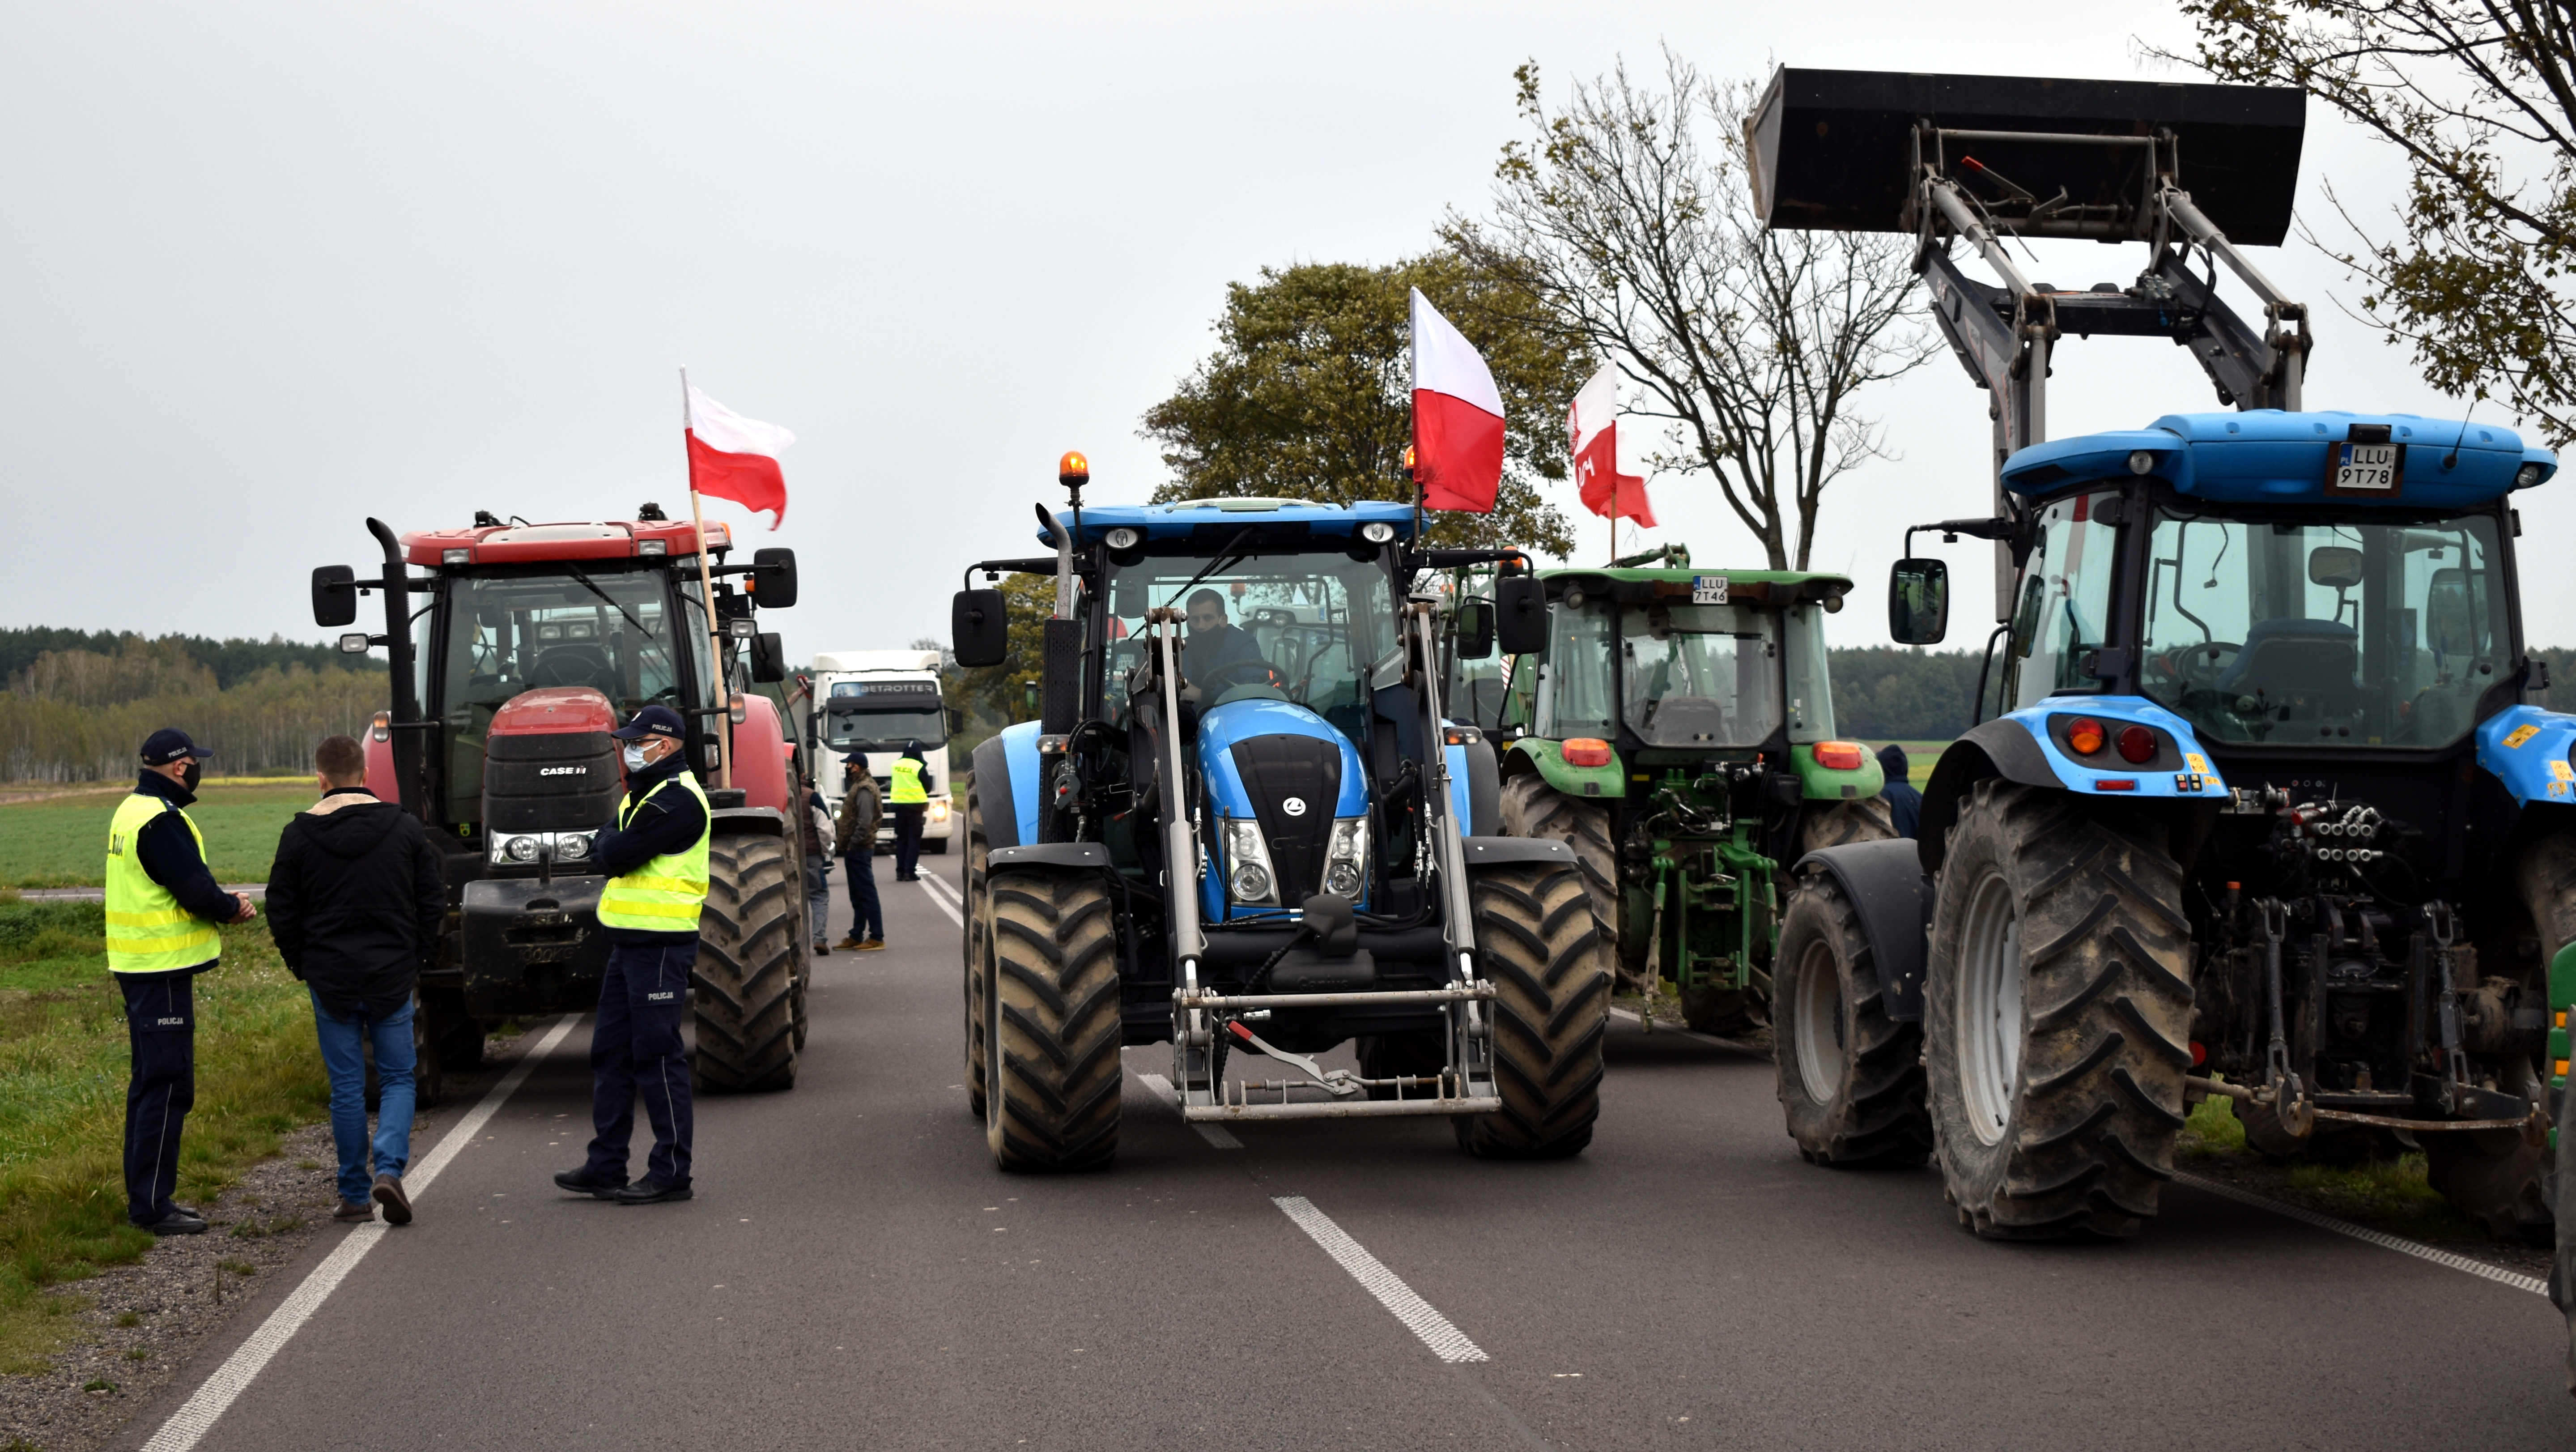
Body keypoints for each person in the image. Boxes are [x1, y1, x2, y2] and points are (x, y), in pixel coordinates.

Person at [264, 734, 443, 1226]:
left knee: (345, 1085)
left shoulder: (298, 835)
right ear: (365, 776)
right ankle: (389, 1167)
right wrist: (418, 957)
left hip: (331, 976)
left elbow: (281, 910)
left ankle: (353, 1194)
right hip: (392, 973)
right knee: (398, 1076)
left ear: (320, 779)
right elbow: (431, 900)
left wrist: (302, 963)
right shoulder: (405, 828)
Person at [554, 705, 707, 1206]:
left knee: (658, 1058)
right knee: (611, 1054)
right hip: (628, 942)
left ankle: (670, 1173)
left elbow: (613, 853)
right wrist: (609, 843)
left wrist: (609, 845)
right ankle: (606, 1164)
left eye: (637, 740)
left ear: (665, 744)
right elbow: (605, 840)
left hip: (661, 944)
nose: (628, 748)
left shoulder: (679, 800)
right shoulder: (644, 796)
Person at [106, 728, 256, 1236]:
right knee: (169, 1085)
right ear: (179, 766)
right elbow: (192, 888)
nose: (198, 770)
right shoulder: (161, 820)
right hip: (161, 969)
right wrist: (232, 907)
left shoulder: (131, 809)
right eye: (196, 762)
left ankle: (144, 1197)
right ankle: (152, 1204)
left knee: (149, 1082)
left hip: (139, 968)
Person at [1179, 588, 1271, 705]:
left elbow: (1255, 688)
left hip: (1233, 717)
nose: (1201, 626)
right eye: (1195, 619)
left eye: (1208, 618)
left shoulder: (1243, 644)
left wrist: (1202, 696)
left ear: (1223, 620)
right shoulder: (1180, 649)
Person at [834, 755, 884, 950]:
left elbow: (864, 822)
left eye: (849, 765)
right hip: (855, 848)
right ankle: (856, 935)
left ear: (856, 767)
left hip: (860, 848)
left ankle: (877, 937)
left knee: (867, 894)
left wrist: (853, 843)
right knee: (858, 894)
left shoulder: (865, 789)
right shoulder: (859, 785)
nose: (846, 768)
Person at [888, 741, 929, 882]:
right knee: (914, 841)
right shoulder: (919, 767)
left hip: (899, 807)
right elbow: (928, 787)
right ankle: (909, 872)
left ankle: (900, 872)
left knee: (901, 840)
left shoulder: (896, 765)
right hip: (915, 809)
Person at [802, 775, 834, 955]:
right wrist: (824, 851)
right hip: (812, 855)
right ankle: (819, 938)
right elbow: (824, 829)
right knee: (819, 897)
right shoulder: (811, 797)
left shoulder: (774, 795)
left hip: (786, 857)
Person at [1878, 743, 1923, 840]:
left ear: (1881, 769)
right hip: (1917, 854)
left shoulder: (1880, 797)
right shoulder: (1920, 797)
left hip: (1891, 853)